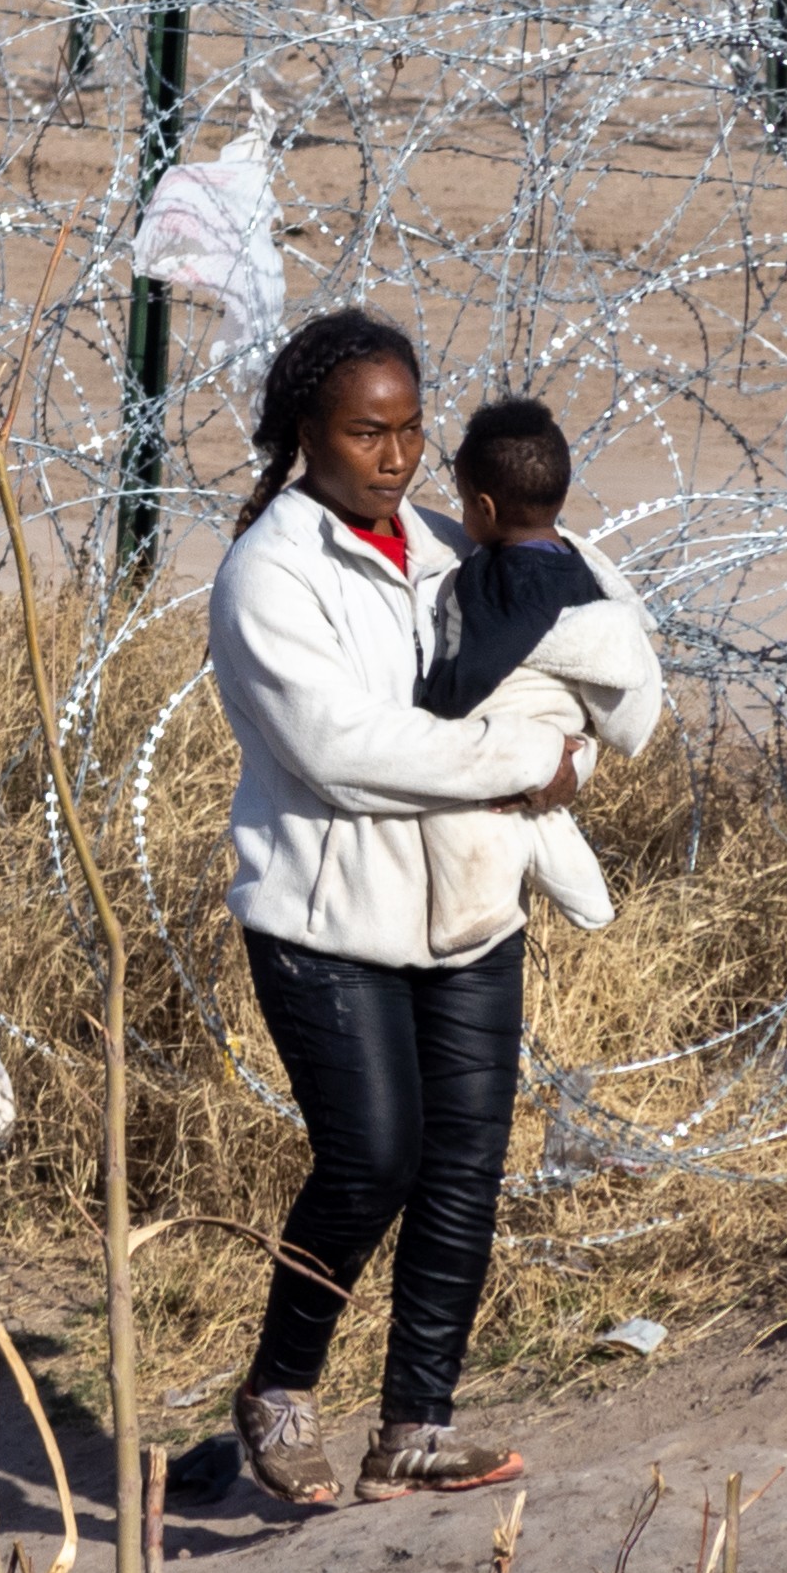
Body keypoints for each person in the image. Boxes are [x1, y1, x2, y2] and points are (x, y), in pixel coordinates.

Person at [183, 308, 582, 1509]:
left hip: (468, 904)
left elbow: (557, 679)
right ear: (308, 430)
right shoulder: (270, 574)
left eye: (410, 430)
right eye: (367, 432)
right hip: (324, 923)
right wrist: (512, 759)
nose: (395, 455)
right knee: (370, 1157)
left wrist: (559, 756)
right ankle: (279, 1389)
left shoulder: (457, 547)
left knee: (463, 1164)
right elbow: (340, 751)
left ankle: (416, 1420)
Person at [415, 395, 663, 962]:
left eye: (463, 505)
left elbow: (487, 658)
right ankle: (587, 897)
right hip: (559, 743)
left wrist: (438, 703)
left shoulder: (510, 584)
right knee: (544, 824)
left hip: (515, 726)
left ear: (484, 506)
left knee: (464, 827)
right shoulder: (574, 561)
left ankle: (468, 922)